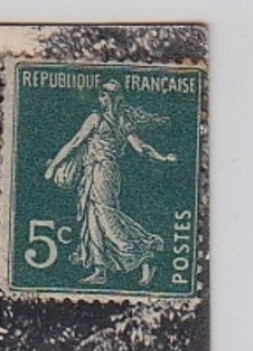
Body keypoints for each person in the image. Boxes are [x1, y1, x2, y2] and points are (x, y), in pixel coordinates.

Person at [44, 79, 178, 286]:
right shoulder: (121, 121)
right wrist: (162, 157)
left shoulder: (97, 119)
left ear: (113, 98)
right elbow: (141, 147)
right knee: (93, 218)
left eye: (107, 95)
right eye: (103, 95)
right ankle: (100, 270)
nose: (104, 99)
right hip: (98, 172)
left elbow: (75, 143)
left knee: (106, 218)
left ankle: (145, 253)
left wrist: (53, 166)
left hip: (102, 171)